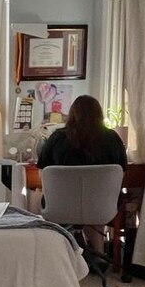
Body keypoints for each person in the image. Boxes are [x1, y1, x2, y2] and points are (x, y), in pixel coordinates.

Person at [37, 95, 127, 252]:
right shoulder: (112, 139)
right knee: (96, 205)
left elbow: (42, 175)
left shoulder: (57, 138)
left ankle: (62, 253)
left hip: (60, 206)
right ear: (99, 114)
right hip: (101, 207)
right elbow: (121, 175)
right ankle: (99, 254)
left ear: (72, 114)